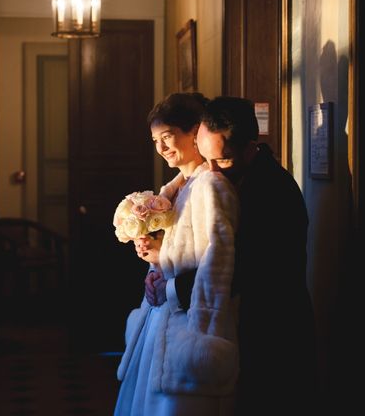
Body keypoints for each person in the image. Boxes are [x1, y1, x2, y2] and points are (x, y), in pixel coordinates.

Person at [145, 96, 316, 413]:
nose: (211, 171)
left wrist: (171, 288)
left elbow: (245, 267)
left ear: (251, 147)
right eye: (205, 158)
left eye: (221, 161)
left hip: (273, 330)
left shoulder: (271, 191)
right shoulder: (228, 177)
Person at [114, 93, 240, 416]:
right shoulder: (176, 189)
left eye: (167, 137)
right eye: (156, 140)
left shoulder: (211, 186)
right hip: (162, 320)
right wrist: (155, 256)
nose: (161, 147)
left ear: (194, 132)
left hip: (188, 323)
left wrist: (204, 334)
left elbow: (216, 259)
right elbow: (182, 248)